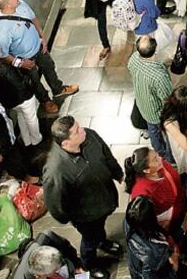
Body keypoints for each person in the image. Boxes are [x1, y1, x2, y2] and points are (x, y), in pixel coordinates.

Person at [44, 116, 124, 277]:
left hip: (105, 198)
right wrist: (74, 217)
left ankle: (102, 241)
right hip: (85, 215)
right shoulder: (56, 170)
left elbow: (107, 156)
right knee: (89, 239)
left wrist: (118, 174)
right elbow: (55, 204)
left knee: (99, 228)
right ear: (65, 143)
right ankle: (90, 264)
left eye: (79, 126)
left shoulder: (90, 136)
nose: (83, 130)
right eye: (77, 131)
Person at [0, 0, 78, 114]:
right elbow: (3, 54)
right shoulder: (2, 29)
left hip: (39, 48)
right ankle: (45, 101)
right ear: (7, 5)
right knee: (34, 81)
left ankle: (58, 89)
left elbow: (33, 19)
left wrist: (42, 36)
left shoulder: (21, 4)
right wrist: (22, 64)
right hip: (25, 59)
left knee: (49, 67)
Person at [0, 43, 42, 148]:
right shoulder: (4, 67)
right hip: (23, 98)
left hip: (9, 102)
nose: (0, 48)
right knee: (31, 119)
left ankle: (27, 140)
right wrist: (27, 82)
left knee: (21, 116)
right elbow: (18, 83)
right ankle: (36, 140)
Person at [129, 35, 175, 161]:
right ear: (155, 50)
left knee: (152, 129)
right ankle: (167, 156)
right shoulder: (158, 76)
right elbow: (167, 97)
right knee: (159, 132)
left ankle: (160, 151)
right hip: (156, 112)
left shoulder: (133, 58)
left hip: (141, 101)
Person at [124, 148, 186, 237]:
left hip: (178, 207)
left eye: (157, 155)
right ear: (146, 170)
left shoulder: (159, 166)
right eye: (155, 159)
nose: (160, 158)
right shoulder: (141, 192)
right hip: (168, 221)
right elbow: (145, 217)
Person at [160, 86, 187, 202]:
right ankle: (186, 199)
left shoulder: (181, 114)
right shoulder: (170, 123)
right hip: (183, 157)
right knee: (185, 180)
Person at [124, 197, 180, 279]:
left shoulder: (128, 223)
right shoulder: (157, 252)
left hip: (136, 269)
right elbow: (148, 275)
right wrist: (175, 264)